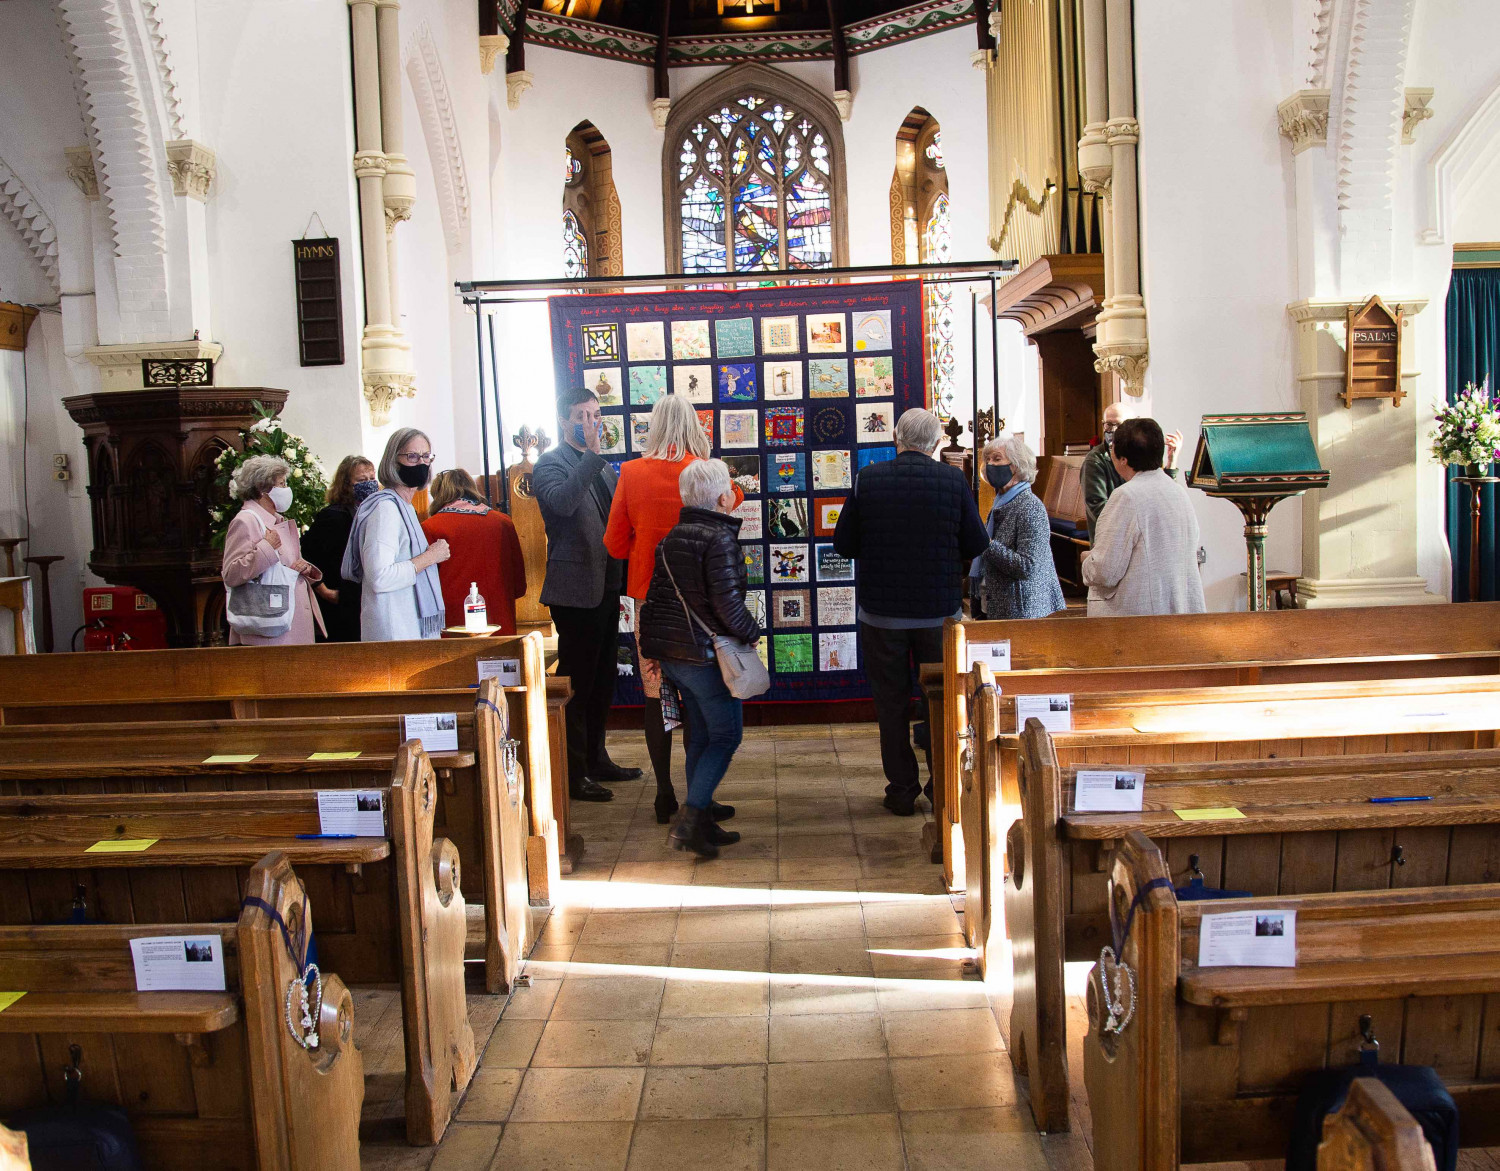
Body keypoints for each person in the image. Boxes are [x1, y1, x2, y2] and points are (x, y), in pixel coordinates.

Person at [833, 408, 989, 816]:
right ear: (937, 442)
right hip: (938, 615)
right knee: (941, 701)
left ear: (896, 439)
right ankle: (942, 786)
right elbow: (976, 543)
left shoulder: (868, 479)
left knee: (891, 704)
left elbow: (844, 544)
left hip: (881, 615)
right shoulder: (953, 481)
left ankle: (902, 789)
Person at [604, 394, 743, 824]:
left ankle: (663, 793)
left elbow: (613, 543)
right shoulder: (704, 472)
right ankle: (700, 796)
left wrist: (645, 548)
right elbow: (732, 501)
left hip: (650, 599)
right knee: (702, 697)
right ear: (694, 426)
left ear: (653, 426)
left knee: (655, 696)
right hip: (702, 601)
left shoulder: (630, 472)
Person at [639, 459, 758, 859]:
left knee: (703, 738)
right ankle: (690, 822)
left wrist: (653, 652)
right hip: (705, 658)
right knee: (727, 736)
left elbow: (655, 601)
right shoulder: (719, 539)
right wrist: (752, 631)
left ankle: (703, 824)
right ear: (723, 497)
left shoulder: (672, 537)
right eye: (730, 489)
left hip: (675, 656)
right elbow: (728, 606)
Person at [533, 387, 639, 805]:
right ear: (563, 421)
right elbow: (561, 503)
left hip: (608, 584)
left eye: (596, 413)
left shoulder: (604, 468)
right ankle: (573, 772)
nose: (592, 421)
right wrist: (593, 456)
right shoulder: (549, 464)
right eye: (582, 414)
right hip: (574, 590)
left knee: (603, 679)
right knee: (577, 682)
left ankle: (597, 758)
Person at [1082, 416, 1206, 616]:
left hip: (1139, 619)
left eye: (1113, 447)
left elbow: (1105, 572)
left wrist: (1088, 561)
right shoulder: (1177, 492)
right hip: (1177, 610)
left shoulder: (1127, 496)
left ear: (1123, 459)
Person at [342, 427, 451, 641]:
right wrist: (430, 557)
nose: (421, 463)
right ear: (393, 461)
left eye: (426, 456)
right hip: (393, 630)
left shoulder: (405, 506)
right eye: (412, 456)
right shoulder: (386, 509)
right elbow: (380, 577)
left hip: (408, 624)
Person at [221, 454, 325, 646]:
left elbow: (284, 565)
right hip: (268, 630)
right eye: (282, 484)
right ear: (262, 489)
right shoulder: (245, 520)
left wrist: (304, 569)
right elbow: (231, 574)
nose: (287, 489)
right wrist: (266, 548)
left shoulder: (277, 520)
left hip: (290, 623)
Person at [421, 468, 527, 635]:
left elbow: (425, 585)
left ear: (438, 493)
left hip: (452, 620)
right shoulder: (503, 522)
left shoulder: (431, 526)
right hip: (499, 616)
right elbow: (519, 584)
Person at [972, 433, 1066, 620]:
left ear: (1016, 466)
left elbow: (1027, 566)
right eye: (988, 460)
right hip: (998, 604)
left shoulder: (1030, 507)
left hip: (1021, 608)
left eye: (997, 459)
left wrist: (986, 544)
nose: (990, 464)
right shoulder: (1001, 502)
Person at [301, 455, 377, 642]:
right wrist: (324, 590)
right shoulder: (332, 516)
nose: (368, 484)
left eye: (372, 479)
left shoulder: (375, 511)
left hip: (365, 600)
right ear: (346, 484)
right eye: (361, 480)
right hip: (339, 603)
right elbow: (308, 556)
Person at [1082, 402, 1184, 542]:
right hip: (1113, 540)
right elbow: (1099, 510)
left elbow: (1161, 493)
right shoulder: (1095, 461)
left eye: (1119, 425)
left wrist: (1171, 464)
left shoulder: (1140, 452)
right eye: (1108, 425)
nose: (1113, 430)